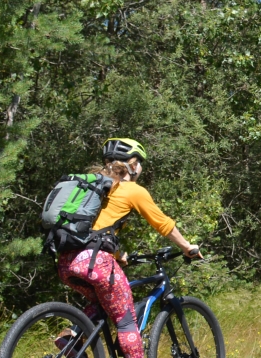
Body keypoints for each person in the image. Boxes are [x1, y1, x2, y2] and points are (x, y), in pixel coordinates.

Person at [55, 138, 201, 358]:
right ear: (132, 164)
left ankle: (71, 336)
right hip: (95, 262)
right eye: (140, 162)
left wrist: (116, 254)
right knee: (127, 322)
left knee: (101, 302)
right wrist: (186, 246)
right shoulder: (132, 190)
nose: (141, 167)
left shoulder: (97, 187)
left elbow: (93, 229)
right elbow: (163, 224)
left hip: (66, 260)